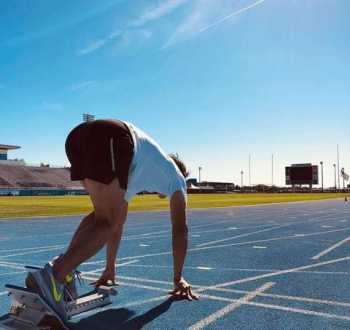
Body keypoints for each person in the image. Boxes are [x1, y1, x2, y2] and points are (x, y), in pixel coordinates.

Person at [26, 119, 198, 321]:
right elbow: (180, 231)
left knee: (101, 217)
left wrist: (110, 266)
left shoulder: (139, 171)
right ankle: (55, 277)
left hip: (77, 138)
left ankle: (61, 267)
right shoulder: (176, 179)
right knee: (105, 221)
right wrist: (178, 278)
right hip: (112, 137)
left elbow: (117, 225)